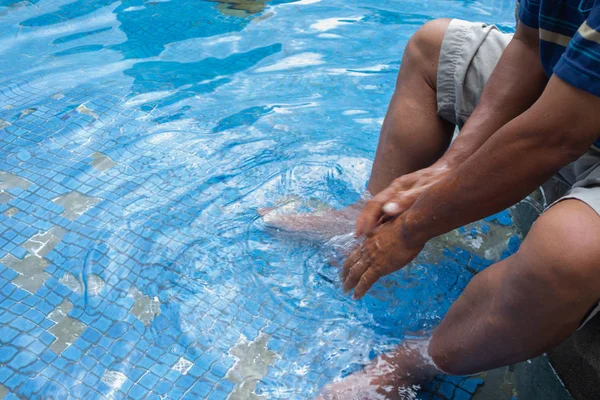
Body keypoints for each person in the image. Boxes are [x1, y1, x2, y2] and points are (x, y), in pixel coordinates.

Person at [267, 0, 600, 398]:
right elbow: (530, 45)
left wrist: (412, 228)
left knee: (567, 252)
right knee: (434, 47)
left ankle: (416, 361)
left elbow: (555, 137)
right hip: (574, 104)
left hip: (572, 119)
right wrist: (450, 165)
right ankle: (366, 215)